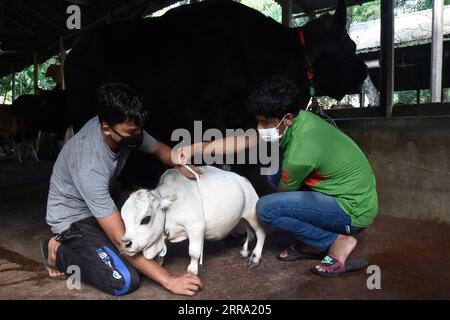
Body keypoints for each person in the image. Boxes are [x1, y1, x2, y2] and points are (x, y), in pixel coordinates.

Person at [177, 77, 378, 277]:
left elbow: (282, 195)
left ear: (287, 118)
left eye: (265, 122)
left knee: (267, 209)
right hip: (340, 190)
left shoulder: (301, 152)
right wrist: (195, 148)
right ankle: (312, 240)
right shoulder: (301, 120)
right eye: (258, 120)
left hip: (353, 210)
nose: (259, 127)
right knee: (274, 174)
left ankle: (336, 241)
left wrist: (254, 217)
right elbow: (241, 141)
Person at [42, 83, 202, 296]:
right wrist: (169, 280)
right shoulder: (89, 162)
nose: (138, 135)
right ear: (106, 128)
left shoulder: (127, 128)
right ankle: (57, 251)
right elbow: (121, 241)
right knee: (124, 280)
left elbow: (161, 150)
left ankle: (100, 238)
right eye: (132, 131)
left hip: (103, 202)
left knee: (152, 207)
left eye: (139, 129)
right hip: (75, 219)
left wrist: (181, 165)